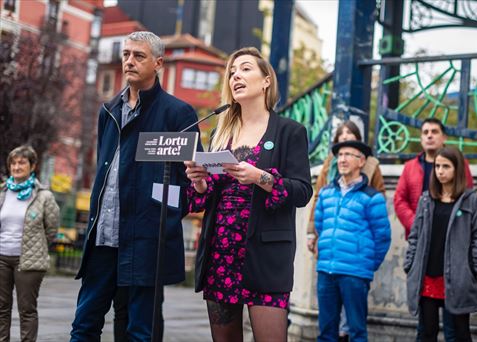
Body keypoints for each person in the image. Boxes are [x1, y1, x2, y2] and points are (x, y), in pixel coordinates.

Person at [70, 31, 201, 341]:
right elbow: (107, 168)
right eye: (126, 54)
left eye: (138, 55)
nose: (129, 60)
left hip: (145, 241)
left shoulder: (177, 113)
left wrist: (161, 216)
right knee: (84, 324)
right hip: (103, 237)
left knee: (140, 330)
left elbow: (188, 182)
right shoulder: (108, 111)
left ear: (158, 63)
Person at [184, 47, 312, 341]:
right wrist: (200, 182)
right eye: (231, 72)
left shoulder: (289, 131)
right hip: (221, 254)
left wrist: (261, 177)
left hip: (265, 257)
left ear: (266, 80)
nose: (235, 76)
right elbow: (207, 196)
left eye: (244, 69)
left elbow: (303, 191)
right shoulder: (221, 133)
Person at [394, 118, 473, 340]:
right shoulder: (410, 167)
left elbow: (468, 204)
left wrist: (473, 264)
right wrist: (418, 225)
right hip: (423, 250)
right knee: (425, 326)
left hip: (452, 253)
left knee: (454, 327)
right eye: (425, 132)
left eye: (434, 131)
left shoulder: (459, 164)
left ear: (443, 137)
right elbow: (400, 200)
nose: (429, 135)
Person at [306, 120, 385, 342]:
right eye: (339, 155)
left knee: (357, 331)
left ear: (361, 161)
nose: (342, 159)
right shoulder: (326, 193)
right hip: (326, 271)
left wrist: (366, 265)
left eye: (348, 155)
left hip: (355, 273)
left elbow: (382, 238)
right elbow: (320, 226)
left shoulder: (372, 197)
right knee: (326, 333)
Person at [404, 146, 477, 342]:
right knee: (427, 331)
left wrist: (473, 266)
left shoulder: (471, 200)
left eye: (446, 166)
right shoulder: (426, 199)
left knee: (459, 332)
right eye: (437, 166)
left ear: (457, 169)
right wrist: (410, 264)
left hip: (456, 277)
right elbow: (415, 235)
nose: (440, 171)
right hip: (428, 277)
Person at [0, 145, 59, 342]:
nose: (16, 167)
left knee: (27, 310)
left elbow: (51, 231)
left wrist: (36, 247)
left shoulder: (44, 196)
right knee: (1, 309)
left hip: (29, 262)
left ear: (32, 166)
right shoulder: (2, 192)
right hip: (1, 259)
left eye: (22, 162)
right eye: (13, 163)